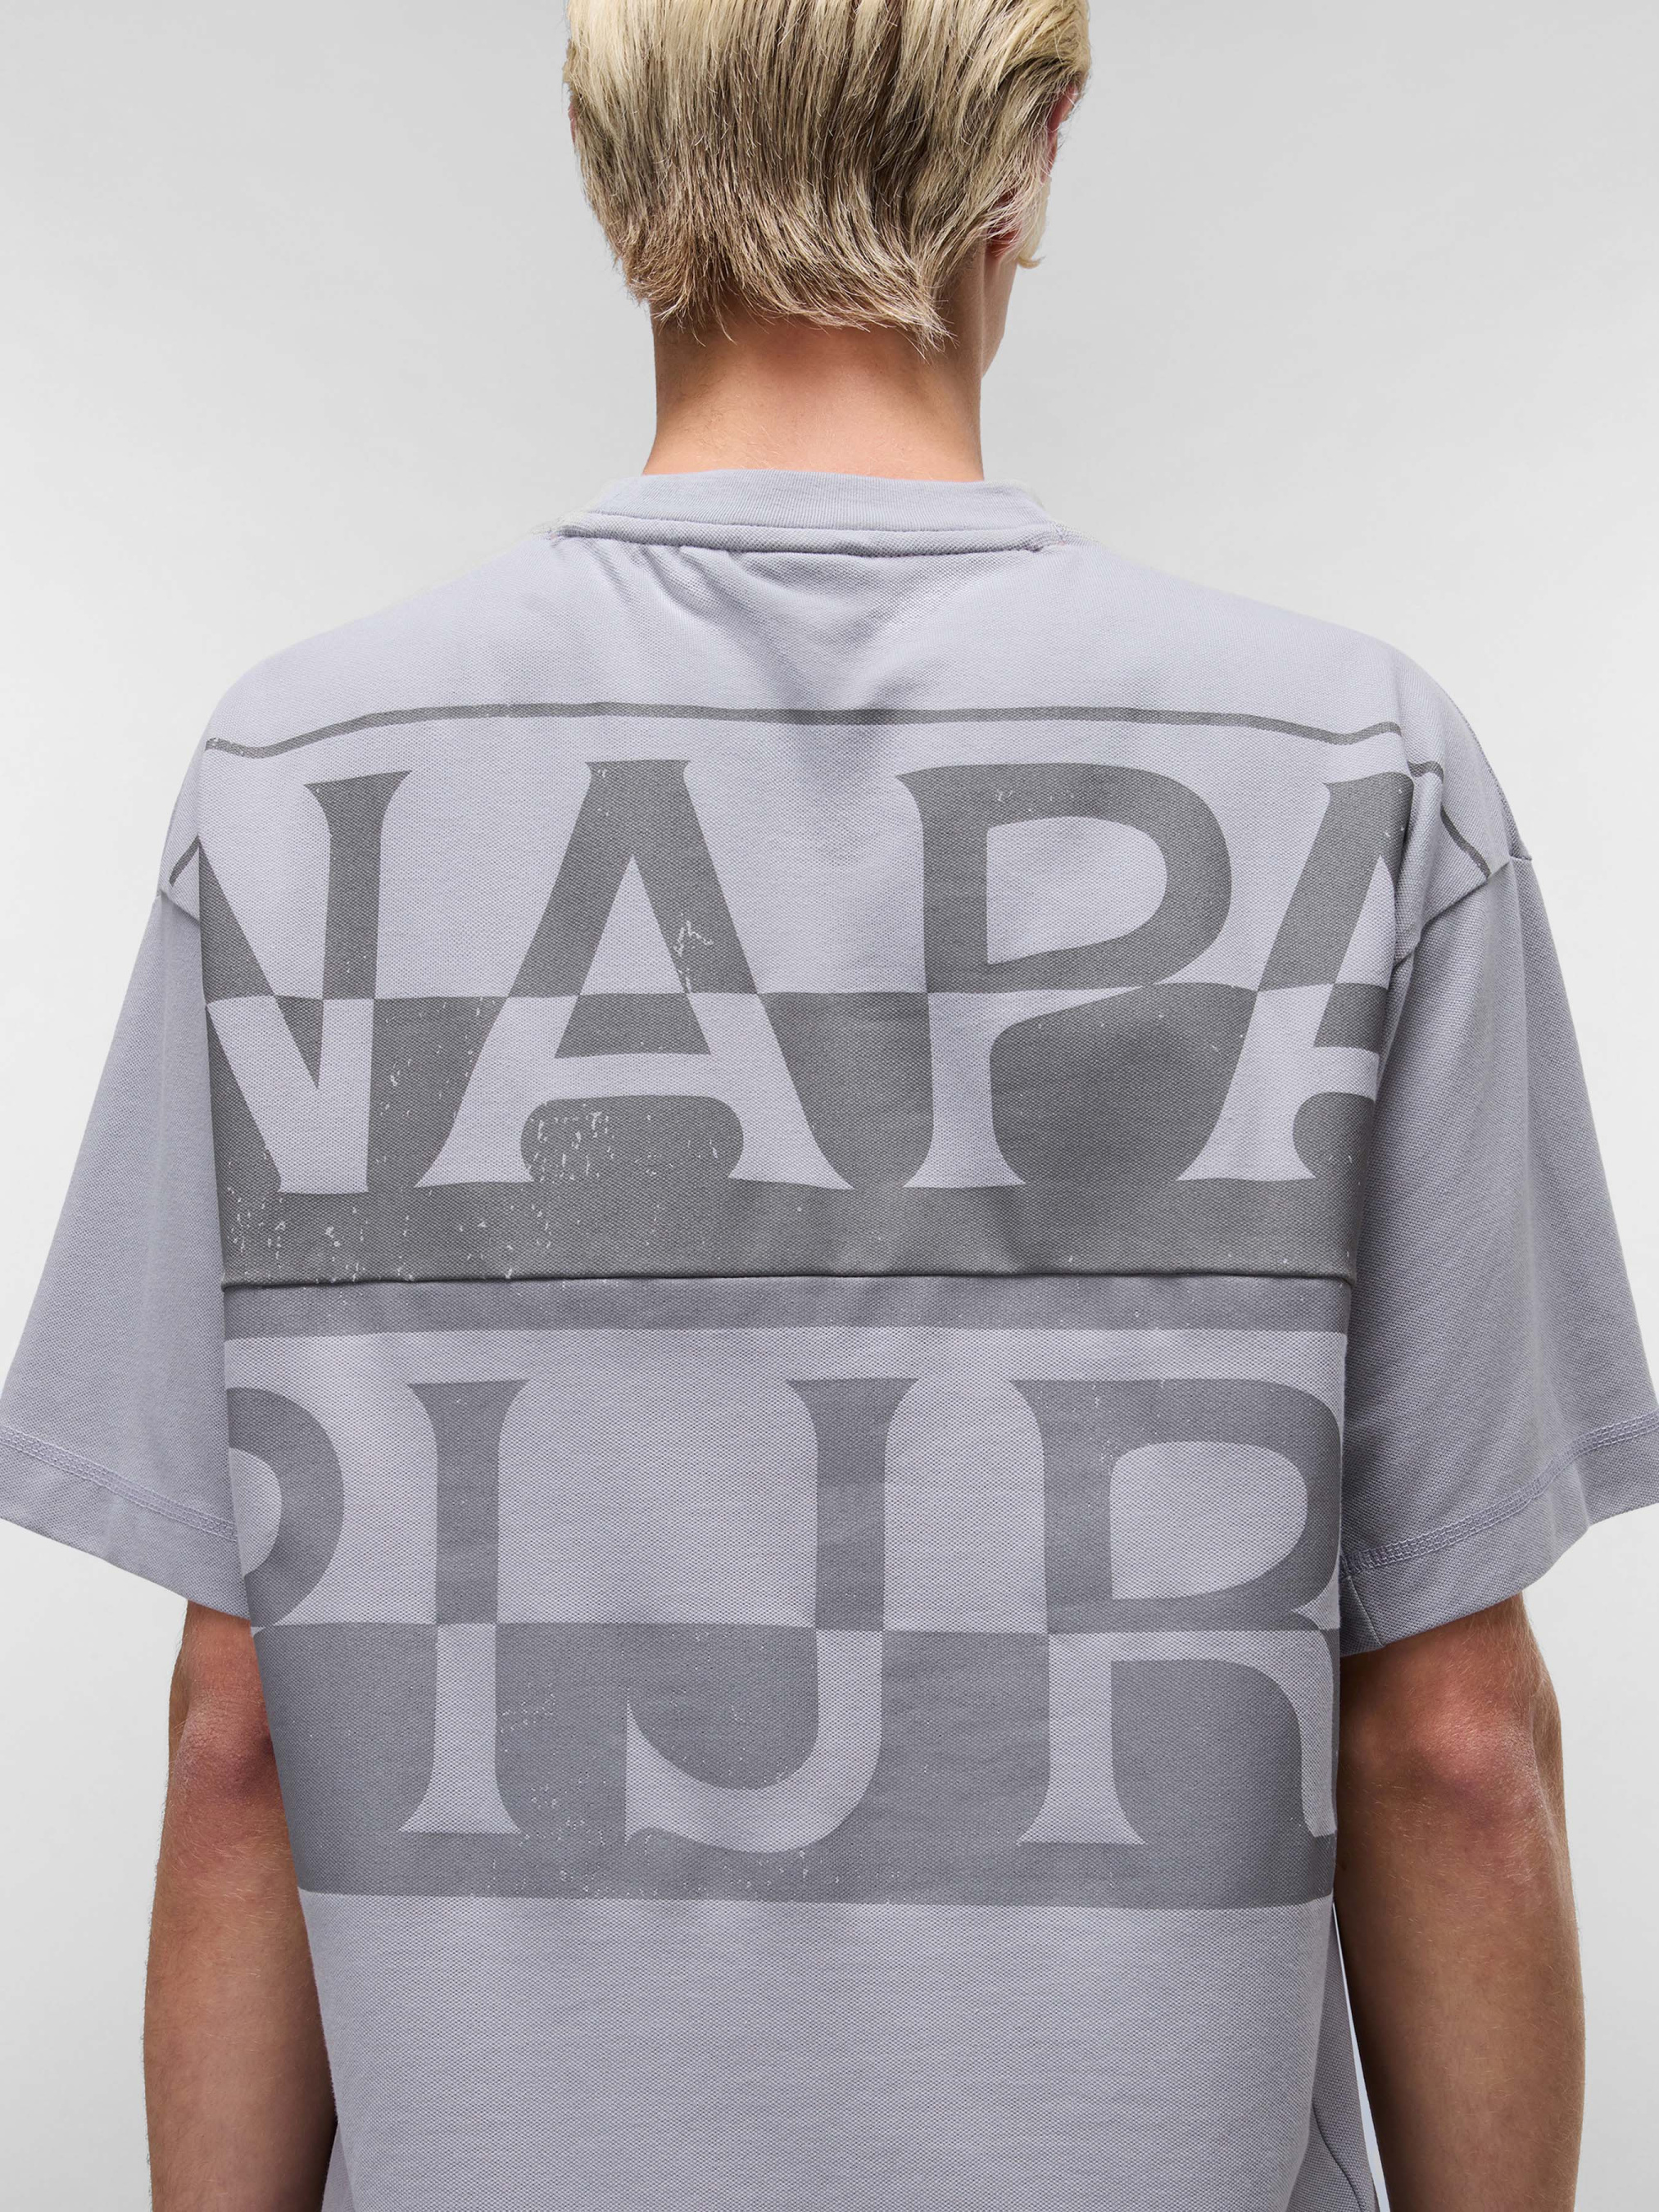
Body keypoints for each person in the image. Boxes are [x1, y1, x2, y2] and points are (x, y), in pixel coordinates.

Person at [2, 2, 1653, 2205]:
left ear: (608, 167)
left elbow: (240, 1739)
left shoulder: (299, 783)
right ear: (1031, 158)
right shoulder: (1356, 768)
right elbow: (1451, 1746)